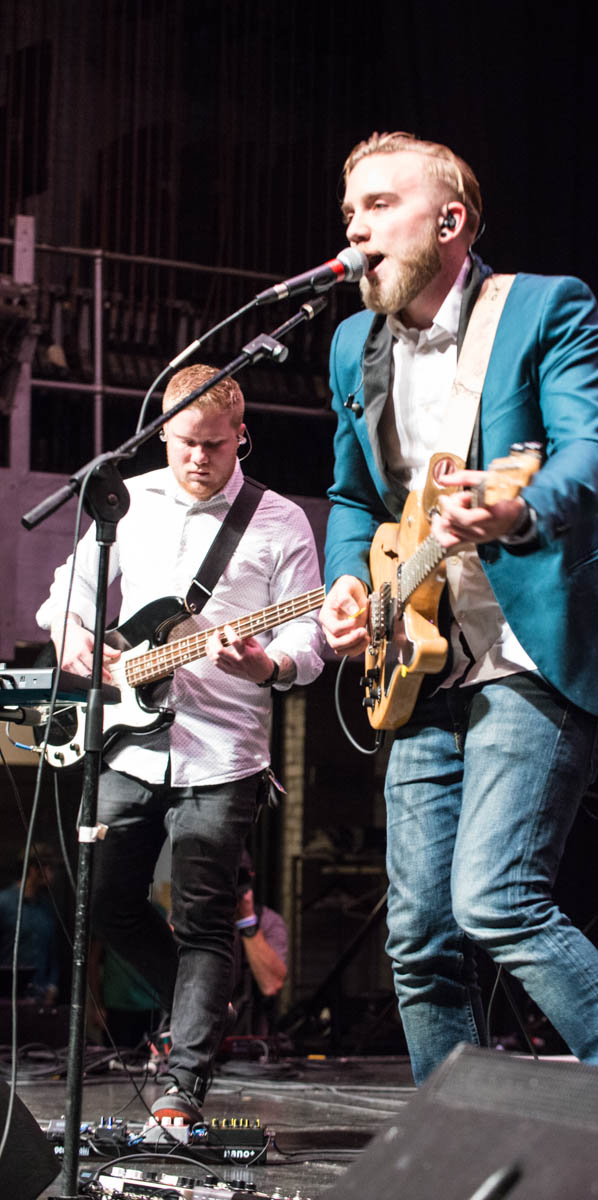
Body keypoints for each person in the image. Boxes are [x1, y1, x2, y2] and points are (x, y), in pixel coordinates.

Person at [319, 131, 598, 1084]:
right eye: (350, 211)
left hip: (533, 639)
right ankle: (457, 1136)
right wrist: (350, 581)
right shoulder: (352, 344)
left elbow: (591, 452)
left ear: (451, 221)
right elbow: (353, 497)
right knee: (417, 936)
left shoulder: (544, 306)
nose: (356, 230)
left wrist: (517, 508)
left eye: (379, 206)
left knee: (495, 900)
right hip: (420, 653)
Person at [36, 363, 324, 1121]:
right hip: (127, 741)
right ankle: (198, 1004)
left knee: (204, 920)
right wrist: (73, 635)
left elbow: (310, 638)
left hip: (223, 752)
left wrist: (265, 663)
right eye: (184, 443)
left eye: (215, 445)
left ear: (241, 437)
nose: (198, 458)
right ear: (162, 435)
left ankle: (183, 1082)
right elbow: (69, 593)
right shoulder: (127, 503)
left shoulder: (279, 521)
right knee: (102, 903)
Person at [229, 851, 288, 1038]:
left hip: (251, 1040)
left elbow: (271, 985)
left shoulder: (269, 922)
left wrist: (247, 922)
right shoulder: (189, 918)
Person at [0, 844, 61, 1004]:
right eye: (49, 868)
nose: (53, 874)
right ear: (34, 869)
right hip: (7, 996)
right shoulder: (4, 903)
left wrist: (52, 985)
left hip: (39, 995)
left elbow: (52, 952)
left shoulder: (47, 908)